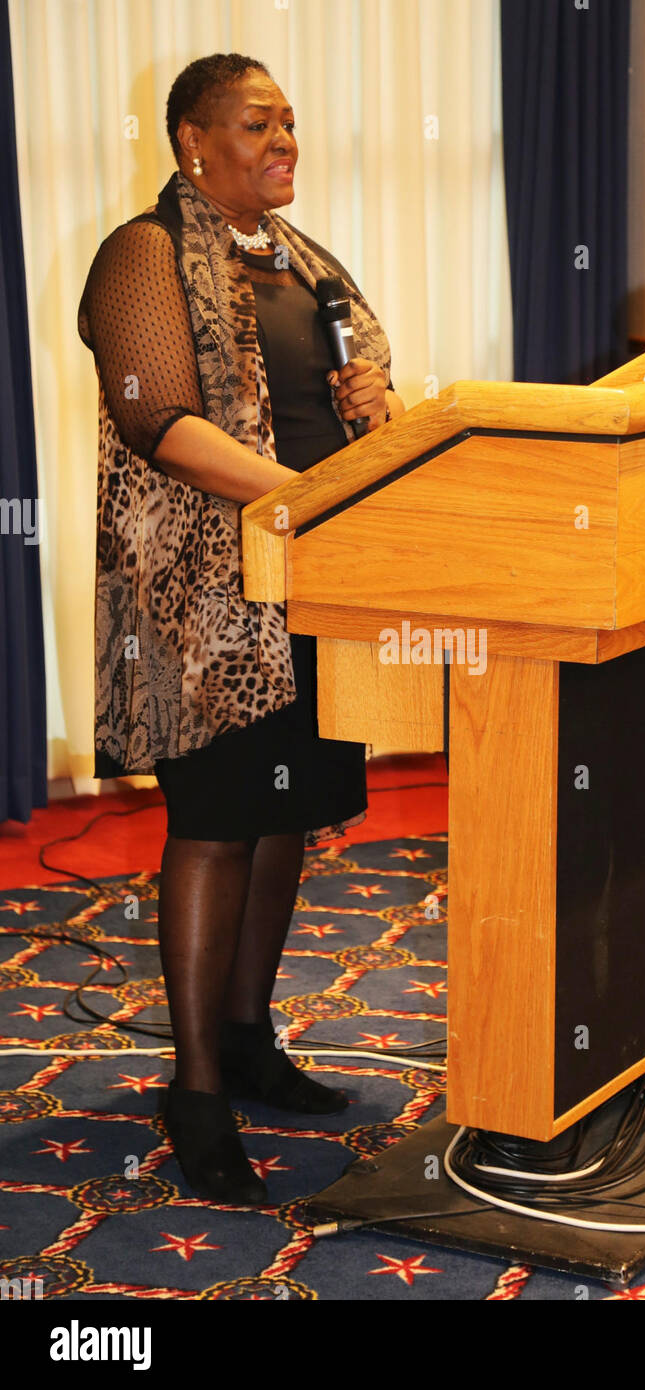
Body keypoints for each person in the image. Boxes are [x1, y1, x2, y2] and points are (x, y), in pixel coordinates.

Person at [77, 52, 405, 1206]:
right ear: (191, 143)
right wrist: (293, 494)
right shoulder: (143, 254)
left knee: (286, 822)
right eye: (258, 124)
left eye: (291, 124)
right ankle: (199, 1086)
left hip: (315, 583)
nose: (285, 141)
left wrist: (378, 410)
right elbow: (158, 418)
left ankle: (252, 1035)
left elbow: (356, 410)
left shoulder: (308, 265)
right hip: (205, 600)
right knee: (216, 825)